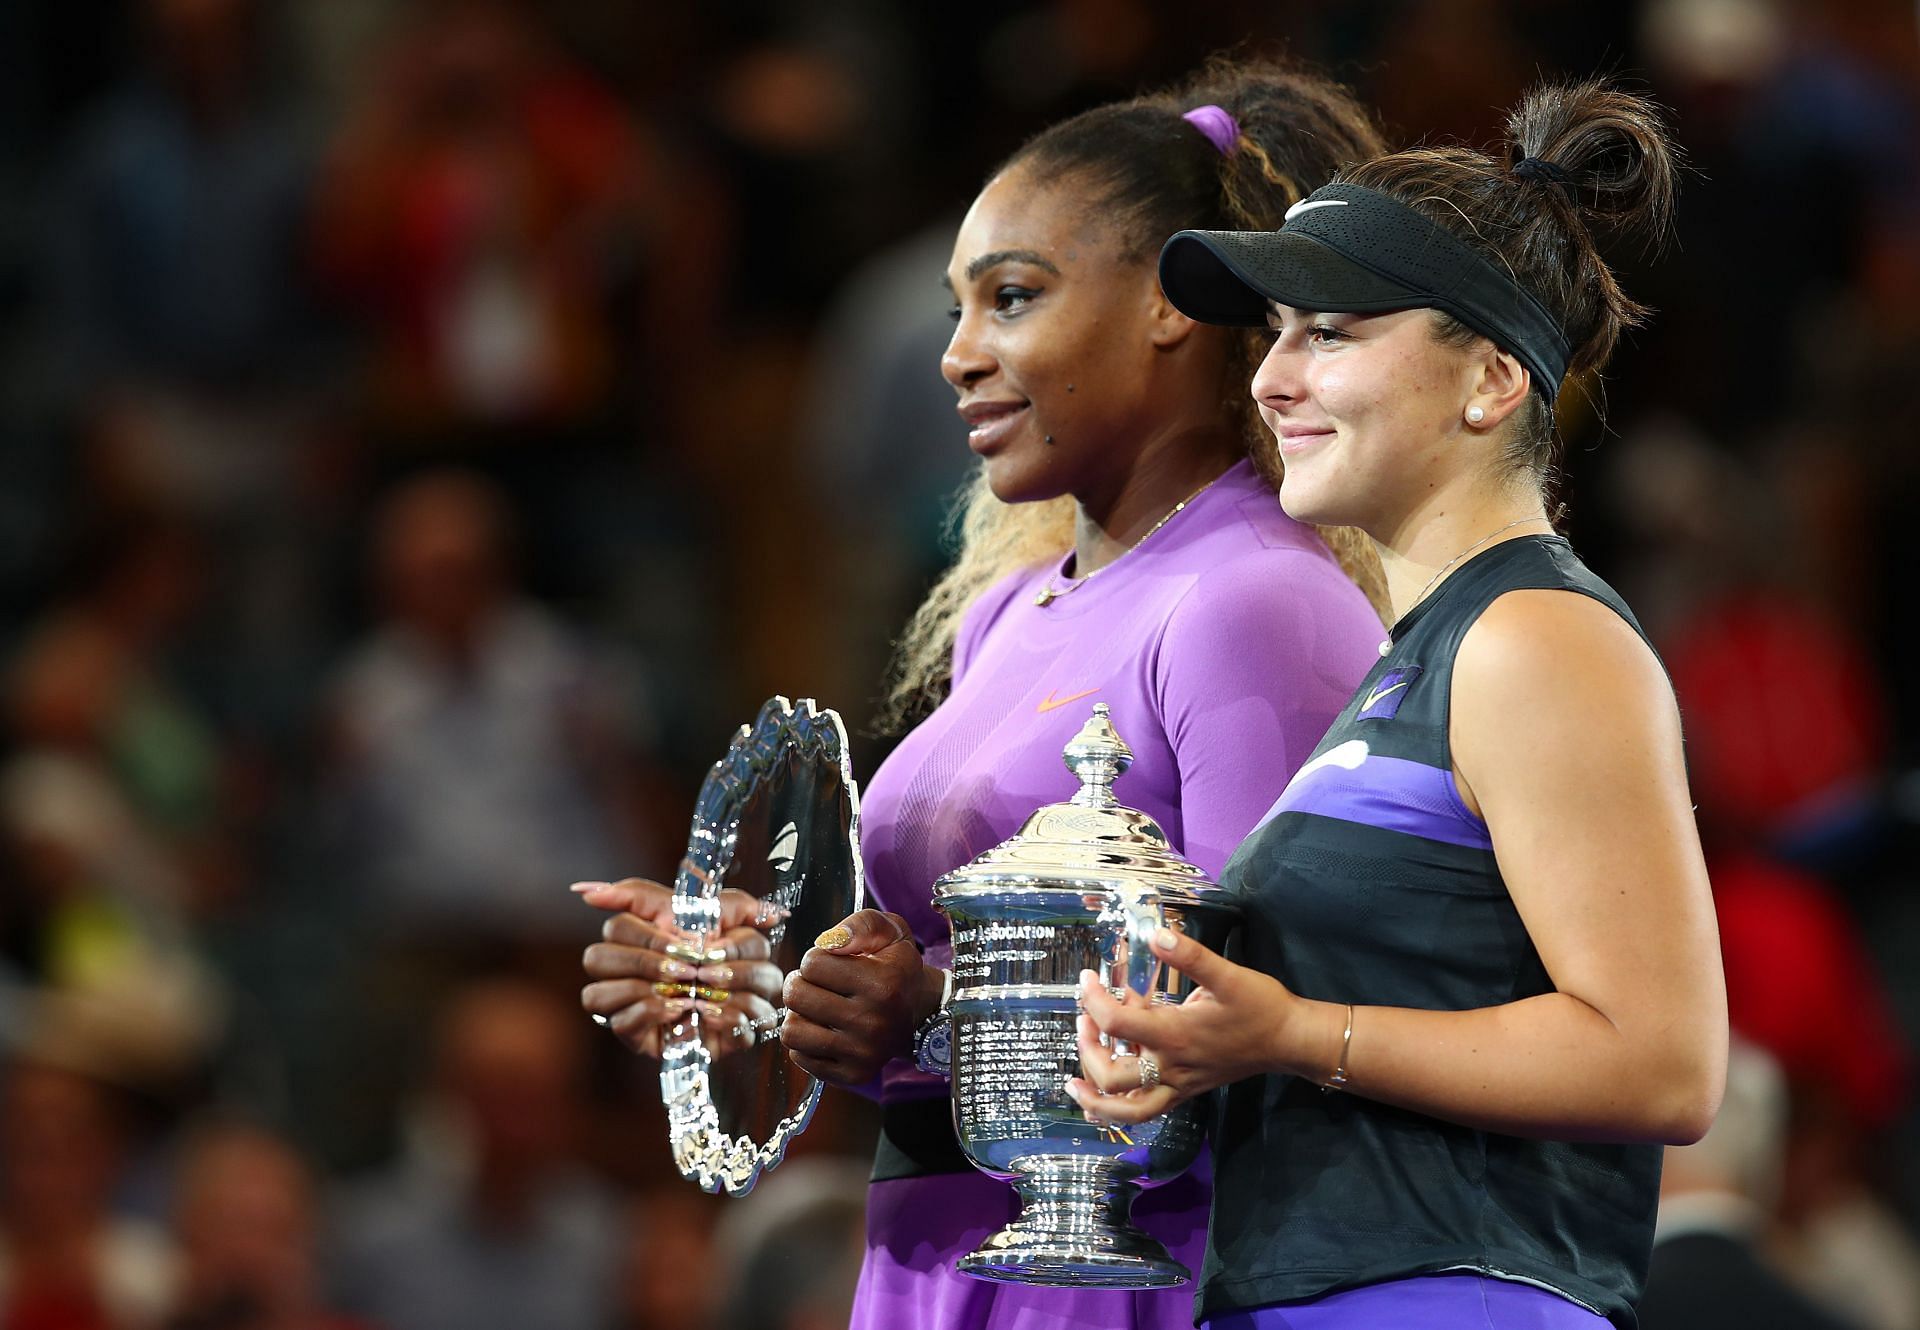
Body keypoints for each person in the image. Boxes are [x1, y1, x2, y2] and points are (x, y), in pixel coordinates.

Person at [578, 55, 1391, 1330]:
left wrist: (935, 1014)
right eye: (959, 309)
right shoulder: (1010, 612)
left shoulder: (1253, 600)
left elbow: (1272, 1041)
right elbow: (943, 1026)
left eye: (1011, 299)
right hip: (944, 1263)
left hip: (1142, 1280)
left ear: (1175, 303)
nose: (957, 356)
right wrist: (776, 982)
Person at [1071, 81, 1729, 1328]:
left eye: (1327, 331)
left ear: (1489, 378)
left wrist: (1293, 1031)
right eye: (1273, 331)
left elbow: (1662, 1061)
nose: (1267, 379)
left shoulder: (1536, 639)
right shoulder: (1424, 655)